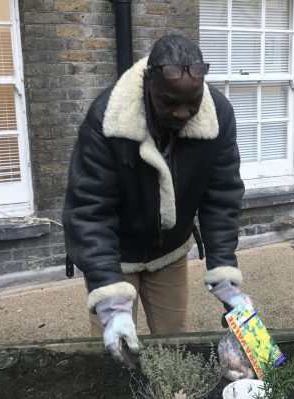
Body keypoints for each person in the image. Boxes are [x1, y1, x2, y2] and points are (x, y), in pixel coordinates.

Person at [63, 35, 251, 369]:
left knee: (176, 347)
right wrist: (111, 300)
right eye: (168, 102)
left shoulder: (218, 115)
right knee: (117, 352)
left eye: (191, 103)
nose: (182, 112)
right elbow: (89, 211)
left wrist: (225, 277)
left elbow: (221, 199)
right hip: (115, 256)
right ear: (149, 82)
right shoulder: (107, 119)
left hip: (170, 251)